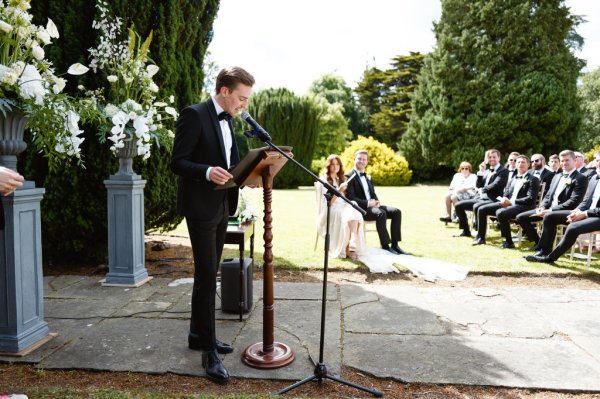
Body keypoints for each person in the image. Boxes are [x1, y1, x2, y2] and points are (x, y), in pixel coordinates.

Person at [171, 66, 255, 383]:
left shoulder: (229, 121)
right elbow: (177, 161)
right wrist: (207, 172)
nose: (243, 105)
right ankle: (208, 351)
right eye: (241, 98)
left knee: (207, 275)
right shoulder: (193, 115)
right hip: (200, 207)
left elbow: (230, 165)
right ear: (224, 91)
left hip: (222, 206)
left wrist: (247, 177)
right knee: (207, 277)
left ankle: (197, 334)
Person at [525, 150, 600, 262]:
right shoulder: (595, 178)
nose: (596, 163)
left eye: (599, 160)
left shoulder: (582, 177)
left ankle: (550, 258)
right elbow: (586, 202)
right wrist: (577, 211)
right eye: (597, 160)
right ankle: (544, 251)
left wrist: (584, 214)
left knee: (573, 227)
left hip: (597, 216)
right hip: (586, 212)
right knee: (549, 216)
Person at [516, 150, 588, 248]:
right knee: (521, 217)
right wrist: (542, 207)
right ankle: (538, 242)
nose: (564, 163)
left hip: (566, 212)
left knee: (548, 216)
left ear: (574, 160)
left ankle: (543, 247)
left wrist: (550, 210)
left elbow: (574, 201)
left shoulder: (581, 178)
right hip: (548, 209)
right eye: (562, 161)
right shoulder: (557, 176)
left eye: (567, 160)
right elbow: (548, 196)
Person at [345, 149, 407, 255]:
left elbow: (372, 193)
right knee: (381, 213)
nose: (361, 161)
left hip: (373, 207)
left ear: (367, 162)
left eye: (364, 159)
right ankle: (385, 246)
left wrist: (377, 201)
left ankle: (395, 245)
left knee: (396, 212)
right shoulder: (349, 176)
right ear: (354, 159)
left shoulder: (368, 176)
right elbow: (351, 198)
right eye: (359, 158)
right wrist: (369, 203)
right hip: (360, 209)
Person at [472, 155, 539, 246]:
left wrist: (512, 202)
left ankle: (508, 241)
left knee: (500, 212)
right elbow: (506, 194)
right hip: (509, 204)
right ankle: (481, 238)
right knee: (482, 209)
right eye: (518, 162)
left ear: (528, 165)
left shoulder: (533, 179)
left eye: (523, 162)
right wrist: (503, 199)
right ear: (515, 164)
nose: (520, 164)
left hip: (524, 206)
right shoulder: (512, 179)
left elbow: (531, 198)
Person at [315, 155, 366, 260]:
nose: (335, 167)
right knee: (349, 210)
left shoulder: (341, 178)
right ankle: (349, 247)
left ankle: (351, 241)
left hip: (343, 206)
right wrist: (339, 190)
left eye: (337, 164)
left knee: (353, 205)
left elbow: (346, 199)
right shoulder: (323, 180)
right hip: (330, 209)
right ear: (328, 166)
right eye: (332, 164)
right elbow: (328, 203)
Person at [453, 149, 509, 238]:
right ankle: (466, 231)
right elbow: (478, 185)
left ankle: (480, 235)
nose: (492, 159)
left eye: (494, 157)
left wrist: (483, 189)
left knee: (478, 207)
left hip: (493, 199)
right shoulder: (486, 171)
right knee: (458, 205)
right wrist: (481, 172)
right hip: (480, 198)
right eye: (490, 157)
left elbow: (496, 184)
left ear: (499, 158)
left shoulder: (503, 171)